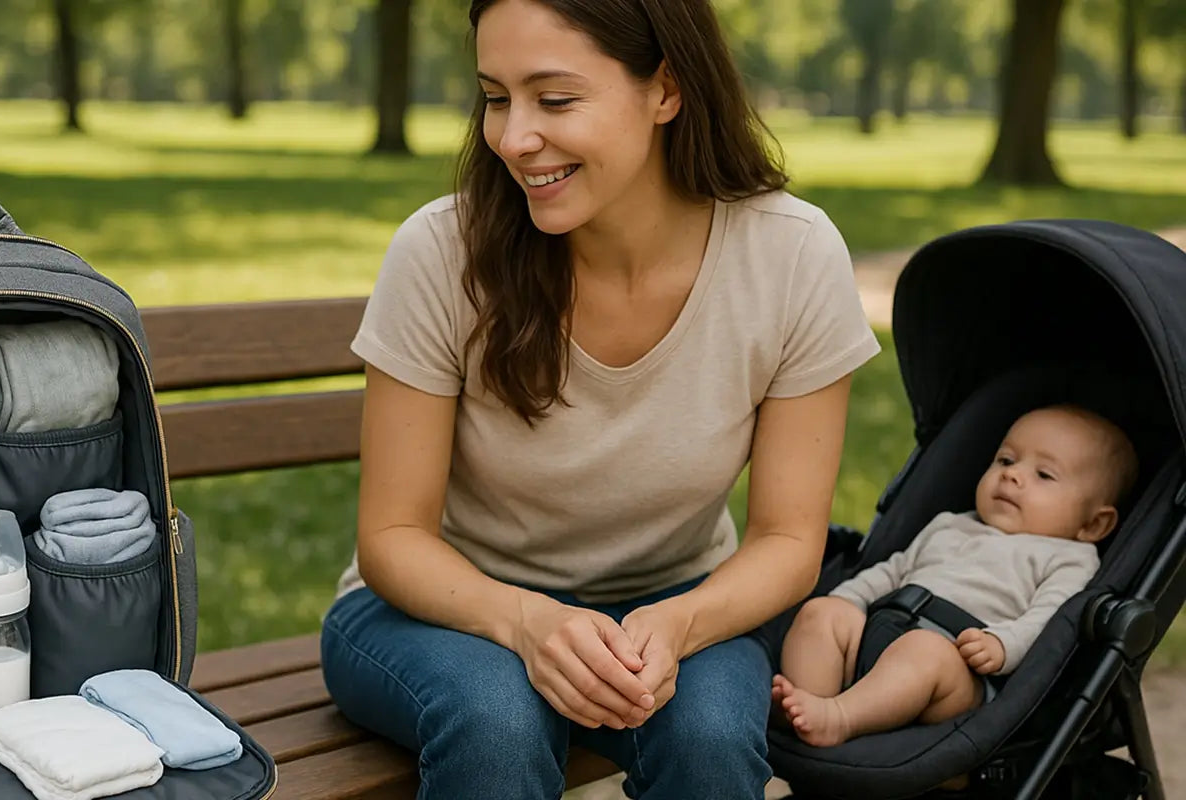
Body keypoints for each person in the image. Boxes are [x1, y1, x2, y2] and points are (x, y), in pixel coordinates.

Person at [316, 0, 881, 797]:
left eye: (554, 99)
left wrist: (677, 623)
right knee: (497, 722)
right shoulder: (443, 253)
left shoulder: (790, 256)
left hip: (682, 599)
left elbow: (791, 539)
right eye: (495, 97)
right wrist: (526, 622)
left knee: (713, 739)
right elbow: (392, 535)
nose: (513, 138)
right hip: (447, 609)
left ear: (667, 90)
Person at [773, 404, 1138, 748]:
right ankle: (809, 703)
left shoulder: (1069, 558)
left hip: (957, 673)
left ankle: (840, 717)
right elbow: (894, 570)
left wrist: (1003, 644)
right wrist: (848, 601)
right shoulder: (951, 524)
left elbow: (1050, 620)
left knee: (925, 652)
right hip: (882, 632)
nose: (1012, 474)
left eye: (1044, 474)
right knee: (821, 612)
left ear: (1093, 524)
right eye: (1005, 460)